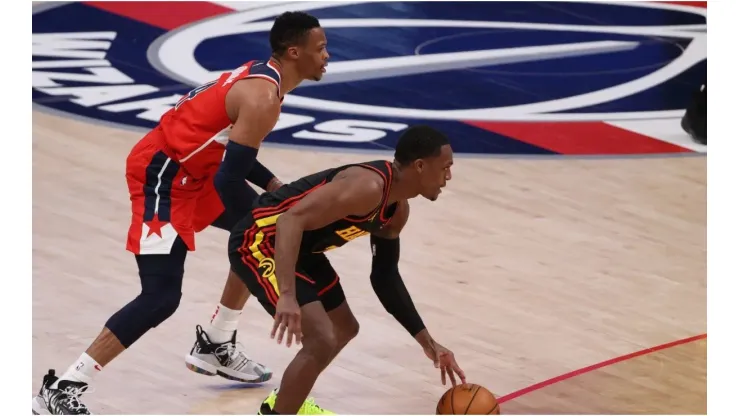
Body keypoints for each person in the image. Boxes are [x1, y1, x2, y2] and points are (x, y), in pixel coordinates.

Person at [32, 11, 330, 415]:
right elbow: (230, 180)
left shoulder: (264, 78)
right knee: (161, 296)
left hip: (195, 170)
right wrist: (267, 216)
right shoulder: (262, 97)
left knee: (261, 232)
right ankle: (63, 386)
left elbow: (229, 151)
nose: (327, 56)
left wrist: (274, 189)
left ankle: (216, 343)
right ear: (294, 52)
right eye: (321, 48)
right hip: (163, 175)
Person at [227, 125, 467, 415]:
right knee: (321, 338)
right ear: (419, 166)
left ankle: (284, 401)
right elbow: (289, 221)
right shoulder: (367, 187)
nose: (448, 177)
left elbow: (385, 277)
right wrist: (287, 295)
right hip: (261, 238)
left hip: (303, 249)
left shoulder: (397, 211)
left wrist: (427, 342)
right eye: (445, 167)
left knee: (344, 327)